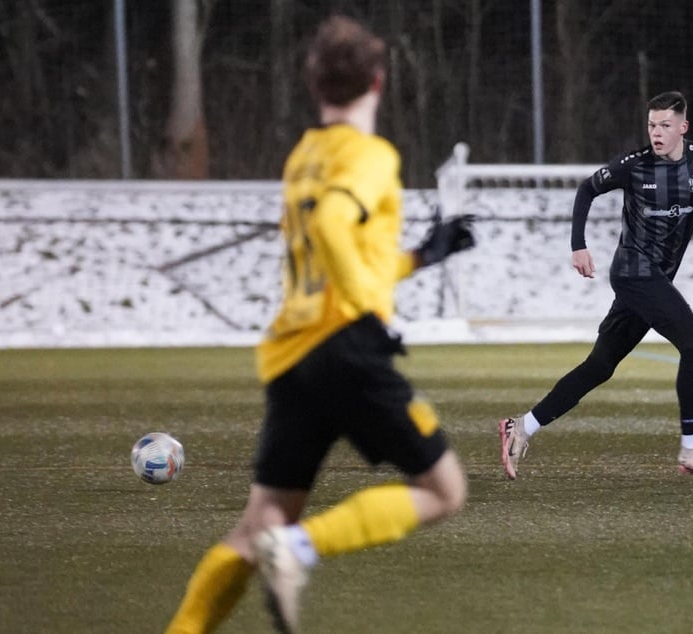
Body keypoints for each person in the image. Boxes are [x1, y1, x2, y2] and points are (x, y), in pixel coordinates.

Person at [166, 15, 472, 634]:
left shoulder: (303, 156)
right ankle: (301, 550)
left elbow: (340, 255)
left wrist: (421, 255)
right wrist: (367, 314)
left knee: (258, 525)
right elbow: (335, 226)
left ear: (315, 87)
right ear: (378, 84)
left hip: (291, 355)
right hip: (346, 347)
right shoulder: (371, 155)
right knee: (444, 490)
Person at [499, 90, 693, 480]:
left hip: (653, 279)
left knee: (599, 366)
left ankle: (522, 426)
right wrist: (578, 246)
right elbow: (586, 189)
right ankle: (692, 448)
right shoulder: (634, 165)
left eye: (665, 125)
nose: (657, 132)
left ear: (683, 127)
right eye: (652, 125)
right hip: (633, 273)